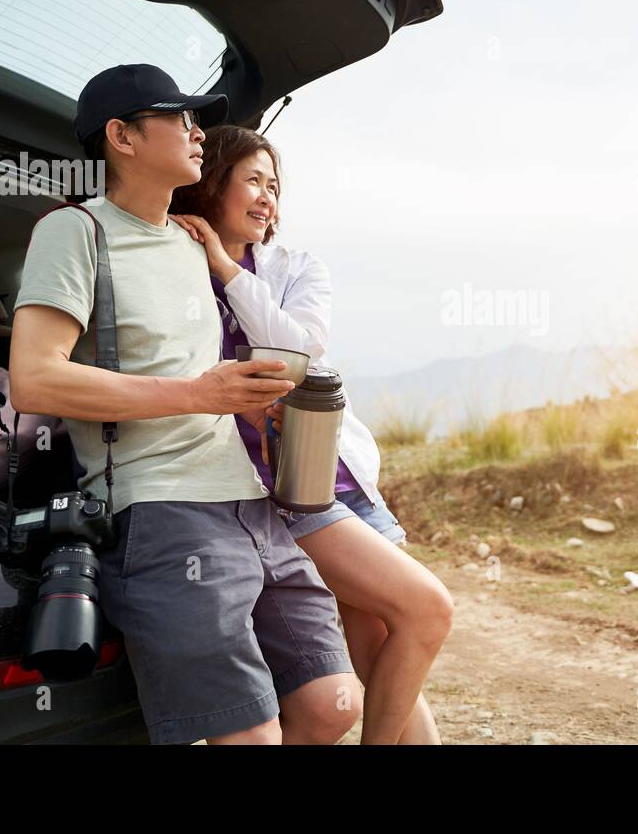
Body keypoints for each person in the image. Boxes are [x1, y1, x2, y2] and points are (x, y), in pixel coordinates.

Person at [10, 64, 361, 745]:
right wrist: (201, 394)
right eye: (181, 118)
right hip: (163, 510)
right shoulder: (74, 231)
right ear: (122, 136)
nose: (199, 132)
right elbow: (34, 379)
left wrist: (252, 405)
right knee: (251, 737)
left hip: (252, 504)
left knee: (334, 704)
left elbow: (189, 370)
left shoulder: (190, 241)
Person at [169, 124, 453, 744]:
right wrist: (209, 264)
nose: (268, 197)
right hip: (279, 489)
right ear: (212, 182)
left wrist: (227, 266)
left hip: (335, 472)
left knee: (382, 633)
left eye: (274, 186)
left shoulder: (297, 268)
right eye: (252, 181)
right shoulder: (174, 264)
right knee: (424, 608)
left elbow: (297, 352)